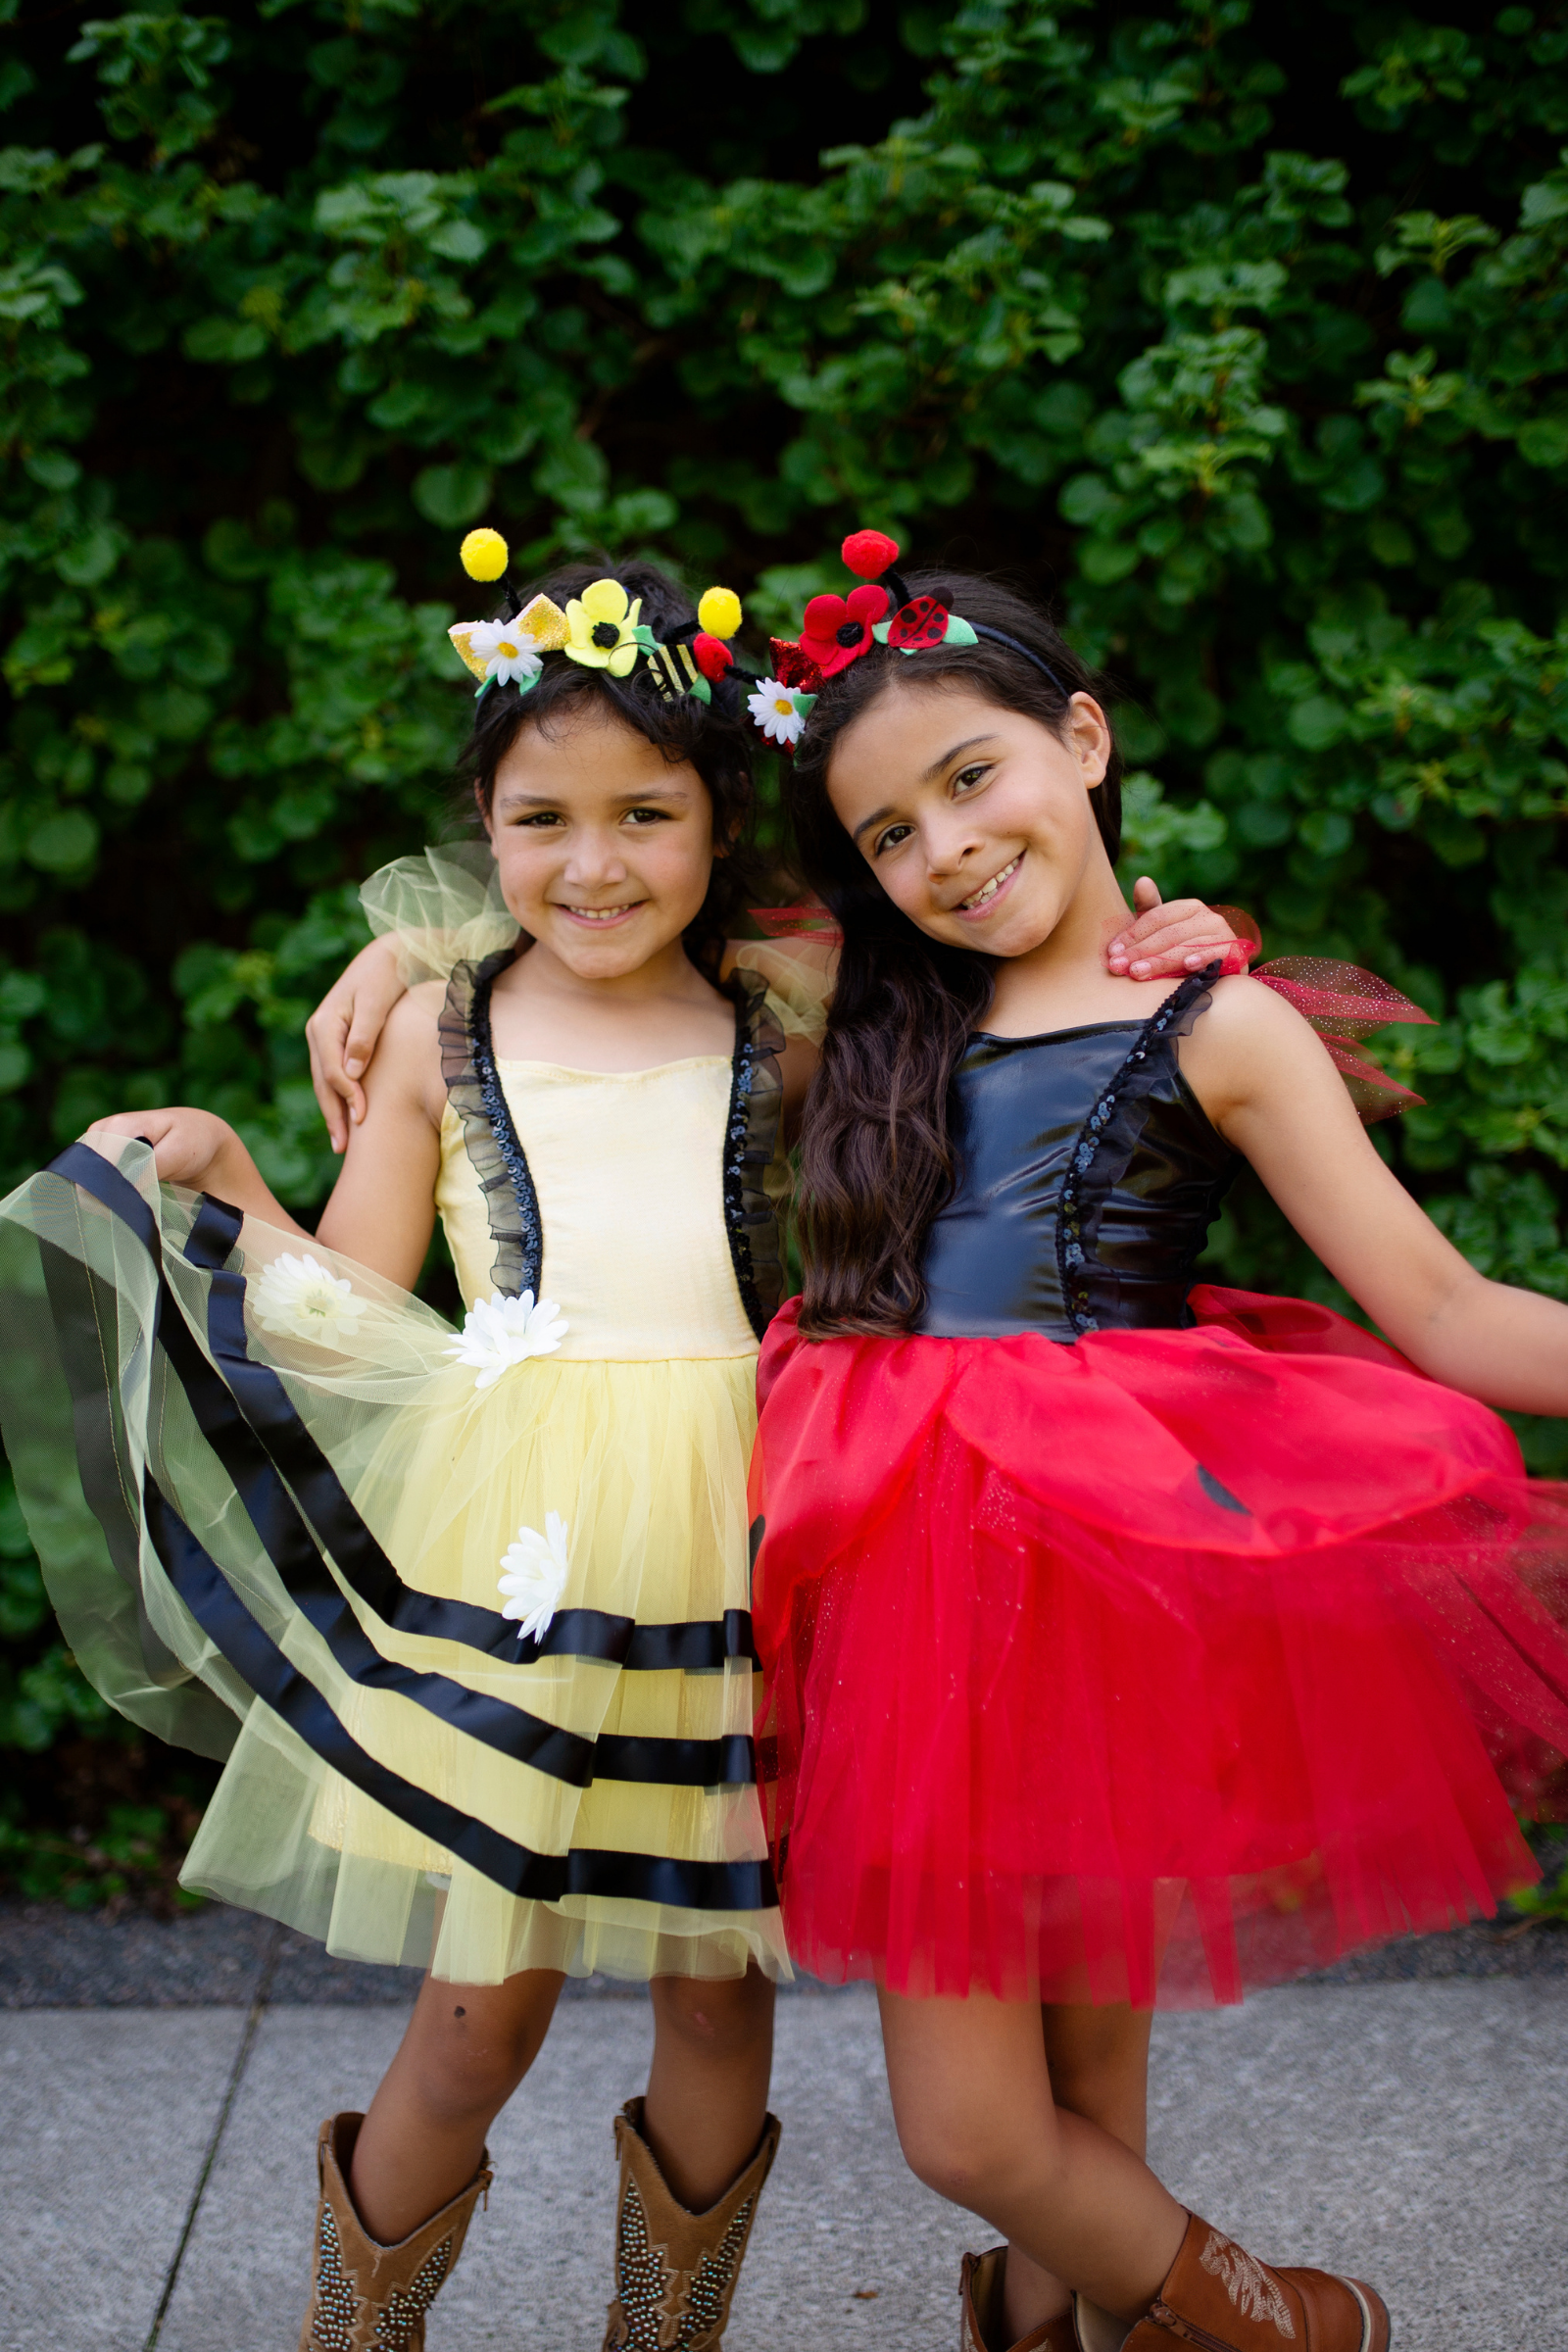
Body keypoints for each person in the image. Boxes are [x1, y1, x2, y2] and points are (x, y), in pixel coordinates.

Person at [0, 533, 1241, 2352]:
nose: (595, 864)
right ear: (484, 827)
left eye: (646, 817)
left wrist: (1187, 936)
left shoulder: (786, 1021)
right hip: (529, 1549)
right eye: (541, 821)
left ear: (715, 828)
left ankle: (664, 2337)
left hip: (748, 1522)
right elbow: (356, 1291)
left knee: (719, 1993)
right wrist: (238, 1167)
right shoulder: (443, 1027)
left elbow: (1001, 989)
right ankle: (362, 2326)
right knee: (476, 2005)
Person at [739, 538, 1568, 2352]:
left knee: (1074, 2051)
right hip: (893, 1559)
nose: (945, 849)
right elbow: (617, 954)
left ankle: (1100, 2324)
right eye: (889, 836)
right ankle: (1276, 2320)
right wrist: (406, 985)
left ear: (1085, 739)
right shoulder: (874, 1013)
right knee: (975, 2119)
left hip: (1099, 1546)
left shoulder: (1222, 1019)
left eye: (973, 779)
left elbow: (1440, 1308)